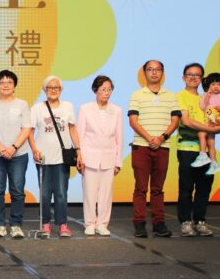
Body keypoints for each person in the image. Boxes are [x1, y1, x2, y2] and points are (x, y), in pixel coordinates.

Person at [127, 60, 180, 238]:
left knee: (158, 189)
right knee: (141, 188)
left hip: (162, 146)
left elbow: (175, 121)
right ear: (144, 73)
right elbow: (133, 121)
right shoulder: (137, 95)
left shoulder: (171, 96)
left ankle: (159, 224)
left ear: (163, 73)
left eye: (157, 69)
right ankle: (139, 224)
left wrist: (162, 138)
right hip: (141, 147)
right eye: (150, 69)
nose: (154, 72)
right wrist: (150, 138)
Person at [28, 75, 80, 237]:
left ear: (61, 90)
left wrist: (78, 150)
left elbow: (72, 129)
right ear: (44, 90)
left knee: (61, 193)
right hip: (43, 157)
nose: (53, 90)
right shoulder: (37, 108)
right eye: (50, 87)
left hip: (62, 158)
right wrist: (34, 150)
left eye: (56, 87)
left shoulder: (68, 106)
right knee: (44, 193)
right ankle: (45, 224)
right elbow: (30, 132)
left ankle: (63, 225)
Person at [176, 64, 220, 237]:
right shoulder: (180, 96)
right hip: (187, 148)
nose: (193, 77)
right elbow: (186, 121)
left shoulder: (209, 97)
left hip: (208, 149)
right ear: (183, 77)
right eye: (190, 74)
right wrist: (209, 128)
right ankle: (185, 222)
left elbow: (218, 118)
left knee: (204, 187)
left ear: (202, 79)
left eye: (197, 75)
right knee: (186, 187)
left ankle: (200, 221)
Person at [0, 69, 31, 239]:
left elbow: (26, 128)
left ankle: (16, 225)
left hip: (18, 155)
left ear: (14, 85)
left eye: (9, 82)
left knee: (17, 190)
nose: (6, 85)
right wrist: (1, 148)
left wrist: (13, 147)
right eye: (2, 82)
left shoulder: (22, 104)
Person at [76, 76, 122, 236]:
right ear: (95, 90)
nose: (106, 93)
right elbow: (80, 135)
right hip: (89, 157)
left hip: (109, 157)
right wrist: (80, 158)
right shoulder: (85, 109)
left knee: (106, 194)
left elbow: (119, 138)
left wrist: (118, 162)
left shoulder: (116, 110)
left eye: (109, 90)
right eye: (103, 89)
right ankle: (90, 223)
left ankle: (102, 223)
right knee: (89, 193)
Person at [194, 72, 220, 175]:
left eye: (219, 84)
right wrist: (207, 96)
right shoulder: (206, 95)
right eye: (213, 84)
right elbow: (202, 106)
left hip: (217, 120)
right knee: (211, 143)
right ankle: (214, 163)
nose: (216, 87)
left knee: (201, 133)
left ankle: (202, 155)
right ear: (208, 85)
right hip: (208, 120)